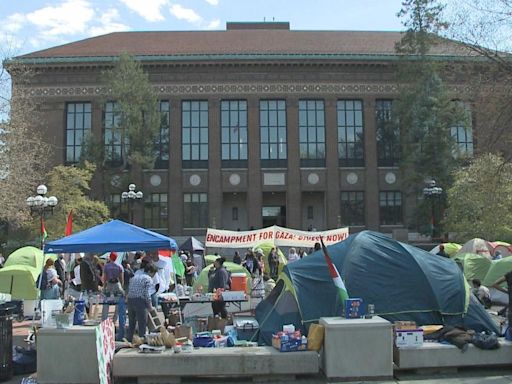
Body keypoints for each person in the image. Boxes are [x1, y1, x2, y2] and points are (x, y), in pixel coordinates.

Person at [126, 263, 157, 342]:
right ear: (150, 271)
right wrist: (150, 306)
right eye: (153, 273)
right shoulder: (148, 279)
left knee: (131, 323)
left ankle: (128, 341)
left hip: (130, 300)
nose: (153, 276)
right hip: (139, 301)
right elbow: (147, 294)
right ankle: (141, 342)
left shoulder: (135, 277)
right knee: (142, 324)